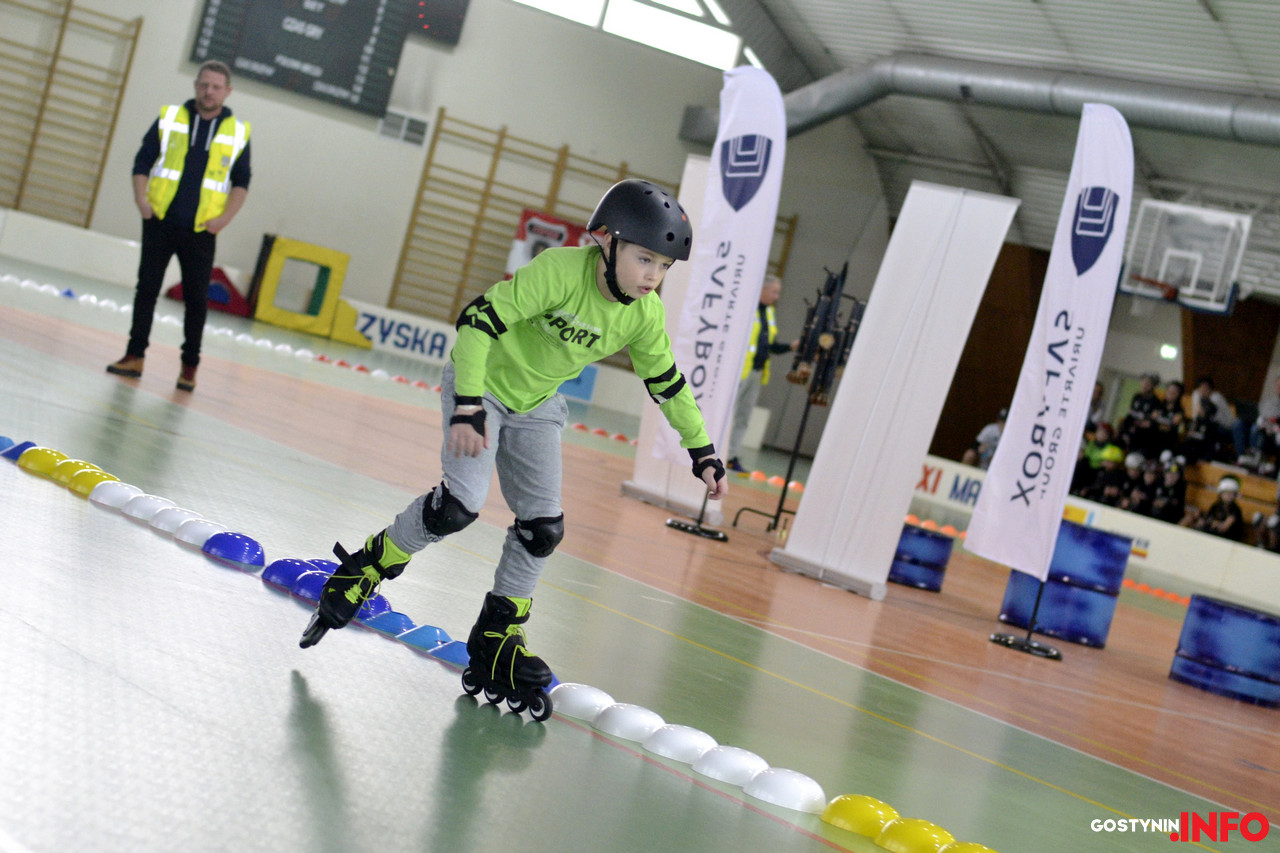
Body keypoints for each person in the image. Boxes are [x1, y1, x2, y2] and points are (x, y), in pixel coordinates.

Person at [297, 180, 728, 720]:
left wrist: (702, 450)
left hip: (537, 407)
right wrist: (468, 404)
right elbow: (477, 323)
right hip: (481, 387)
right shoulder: (558, 272)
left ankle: (498, 633)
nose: (652, 277)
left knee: (543, 528)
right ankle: (368, 566)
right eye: (644, 259)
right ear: (606, 240)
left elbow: (667, 383)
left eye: (663, 267)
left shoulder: (644, 315)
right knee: (458, 507)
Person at [106, 60, 252, 392]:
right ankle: (134, 356)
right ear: (196, 85)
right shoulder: (170, 118)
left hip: (201, 231)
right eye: (204, 84)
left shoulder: (239, 132)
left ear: (227, 92)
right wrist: (141, 200)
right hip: (159, 222)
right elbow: (143, 160)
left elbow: (242, 182)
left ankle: (189, 367)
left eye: (216, 87)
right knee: (146, 290)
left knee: (197, 300)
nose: (209, 91)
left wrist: (224, 220)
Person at [725, 275, 795, 473]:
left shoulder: (769, 313)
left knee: (744, 417)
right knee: (726, 413)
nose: (777, 296)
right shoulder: (746, 309)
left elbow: (770, 345)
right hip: (739, 371)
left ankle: (730, 456)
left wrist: (791, 346)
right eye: (774, 292)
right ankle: (710, 452)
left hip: (756, 372)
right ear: (763, 289)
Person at [1190, 376, 1245, 462]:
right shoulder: (1196, 394)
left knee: (1210, 430)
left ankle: (1206, 458)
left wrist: (1201, 413)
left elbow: (1211, 417)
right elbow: (1196, 416)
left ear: (1211, 389)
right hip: (1208, 426)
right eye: (1201, 388)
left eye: (1206, 388)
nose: (1203, 390)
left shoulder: (1216, 398)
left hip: (1226, 428)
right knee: (1197, 429)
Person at [1241, 375, 1280, 475]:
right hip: (1265, 428)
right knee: (1245, 425)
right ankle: (1248, 457)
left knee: (1259, 430)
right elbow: (1260, 415)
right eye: (1278, 386)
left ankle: (1258, 460)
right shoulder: (1269, 402)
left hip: (1276, 433)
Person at [1188, 476, 1245, 541]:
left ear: (1234, 495)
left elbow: (1224, 527)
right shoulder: (1216, 506)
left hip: (1228, 539)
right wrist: (1201, 518)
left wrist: (1214, 524)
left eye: (1231, 493)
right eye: (1226, 493)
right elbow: (1209, 518)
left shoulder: (1235, 509)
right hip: (1216, 536)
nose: (1228, 495)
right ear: (1221, 494)